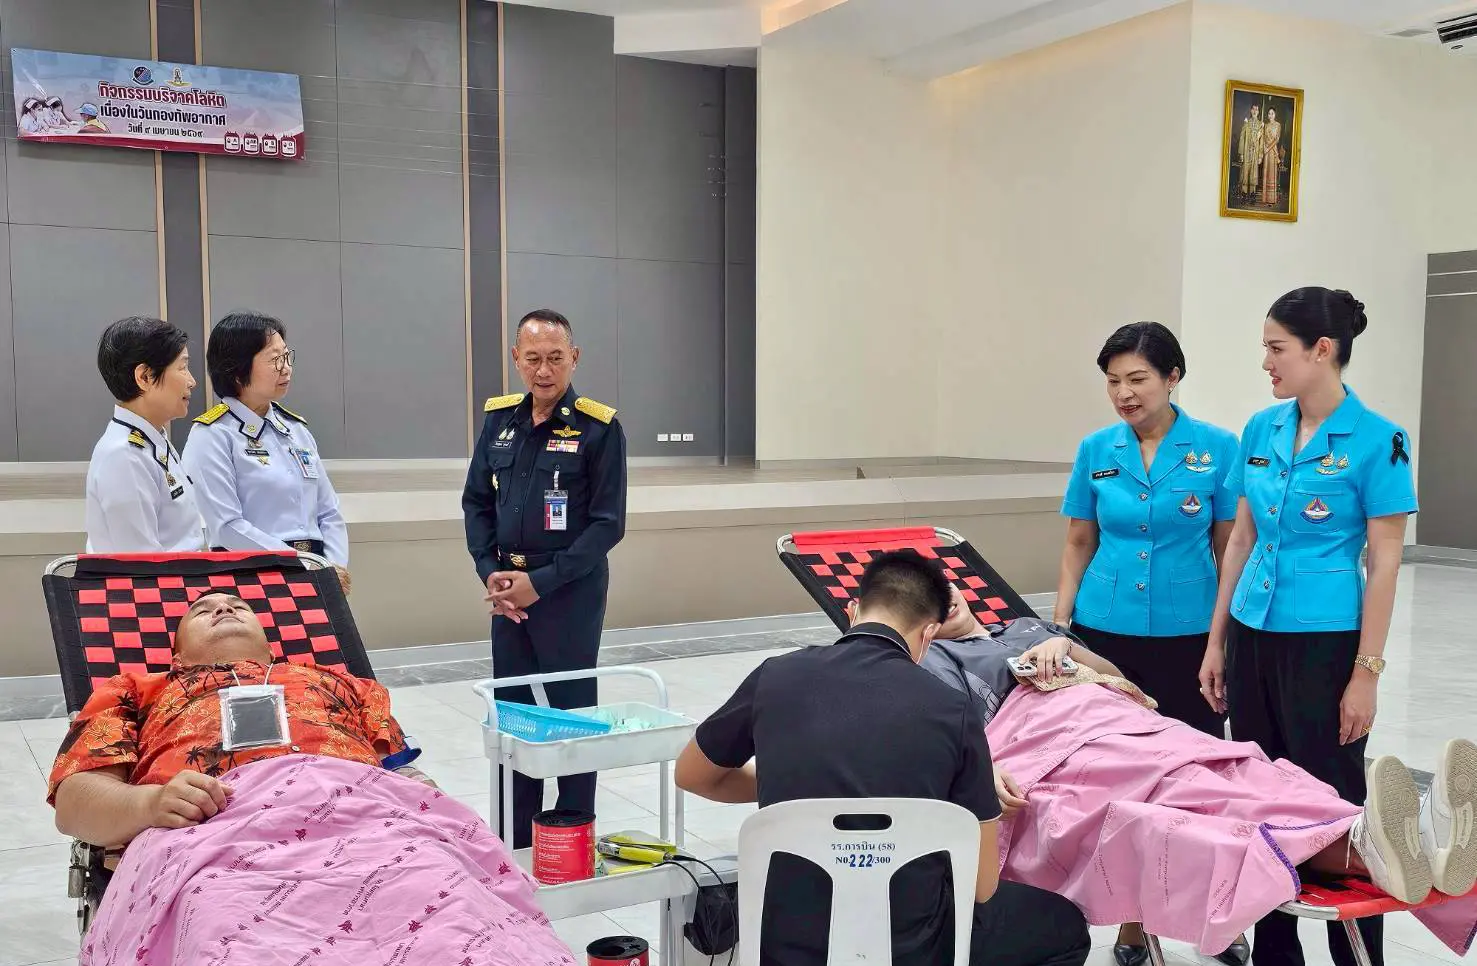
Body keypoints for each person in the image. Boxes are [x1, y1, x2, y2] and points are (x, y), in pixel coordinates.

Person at [920, 587, 1477, 960]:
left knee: (1240, 767)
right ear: (919, 624)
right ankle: (1375, 846)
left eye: (943, 586)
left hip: (1122, 717)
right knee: (1185, 798)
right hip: (1054, 741)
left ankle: (1391, 838)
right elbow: (944, 739)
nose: (943, 599)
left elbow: (1125, 685)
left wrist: (1070, 649)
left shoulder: (1027, 627)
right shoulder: (931, 666)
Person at [47, 592, 577, 966]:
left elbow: (397, 772)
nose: (223, 609)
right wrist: (150, 804)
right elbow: (76, 802)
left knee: (450, 906)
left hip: (369, 823)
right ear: (178, 654)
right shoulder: (137, 692)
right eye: (203, 610)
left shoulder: (338, 683)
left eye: (238, 606)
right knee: (223, 928)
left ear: (268, 645)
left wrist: (431, 816)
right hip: (214, 836)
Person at [675, 550, 1092, 966]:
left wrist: (796, 781)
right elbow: (981, 887)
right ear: (929, 634)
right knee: (1066, 927)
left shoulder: (774, 676)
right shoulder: (952, 709)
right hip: (914, 947)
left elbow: (693, 776)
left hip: (786, 943)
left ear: (852, 610)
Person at [1199, 287, 1422, 966]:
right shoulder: (1259, 429)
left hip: (1324, 642)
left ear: (1321, 350)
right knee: (1260, 796)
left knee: (1332, 804)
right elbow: (1240, 540)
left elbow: (1384, 563)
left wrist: (1366, 673)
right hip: (1251, 631)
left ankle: (1357, 953)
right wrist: (1216, 642)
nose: (1265, 362)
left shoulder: (1379, 440)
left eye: (1276, 348)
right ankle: (1274, 951)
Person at [1056, 322, 1244, 964]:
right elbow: (1078, 541)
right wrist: (1060, 627)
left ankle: (1222, 915)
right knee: (1120, 779)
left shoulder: (1218, 448)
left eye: (1137, 379)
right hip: (1104, 634)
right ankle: (1133, 920)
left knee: (1198, 775)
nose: (1124, 393)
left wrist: (1222, 639)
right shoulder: (1096, 448)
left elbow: (1229, 548)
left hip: (1189, 636)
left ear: (1172, 377)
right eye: (1113, 381)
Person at [461, 308, 628, 849]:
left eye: (555, 358)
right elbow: (476, 502)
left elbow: (607, 525)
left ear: (574, 358)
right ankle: (515, 838)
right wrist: (490, 571)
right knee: (515, 715)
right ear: (516, 359)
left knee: (571, 713)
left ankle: (570, 837)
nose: (544, 370)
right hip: (507, 591)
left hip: (569, 592)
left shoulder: (598, 428)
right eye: (532, 358)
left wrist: (542, 581)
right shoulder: (500, 421)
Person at [183, 311, 350, 590]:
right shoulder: (212, 435)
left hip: (318, 574)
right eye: (275, 360)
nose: (286, 368)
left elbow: (329, 512)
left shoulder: (296, 430)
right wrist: (301, 564)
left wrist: (333, 567)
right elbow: (227, 526)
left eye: (287, 356)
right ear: (237, 370)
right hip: (254, 578)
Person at [85, 316, 205, 554]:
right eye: (182, 368)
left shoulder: (152, 438)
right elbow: (143, 564)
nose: (192, 381)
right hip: (162, 578)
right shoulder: (125, 456)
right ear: (145, 377)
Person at [1237, 103, 1262, 199]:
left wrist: (1260, 156)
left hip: (1255, 153)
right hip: (1247, 152)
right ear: (1251, 111)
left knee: (1253, 173)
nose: (1255, 111)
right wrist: (1241, 153)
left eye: (1257, 109)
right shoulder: (1246, 123)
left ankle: (1252, 194)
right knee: (1245, 172)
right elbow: (1242, 138)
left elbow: (1261, 141)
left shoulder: (1260, 125)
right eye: (1253, 109)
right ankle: (1244, 194)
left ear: (1258, 112)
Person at [1259, 108, 1283, 207]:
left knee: (1272, 174)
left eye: (1272, 113)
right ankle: (1265, 199)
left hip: (1273, 152)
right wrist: (1264, 148)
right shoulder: (1266, 125)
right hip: (1266, 153)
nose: (1270, 115)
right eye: (1269, 113)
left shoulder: (1278, 125)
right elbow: (1263, 138)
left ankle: (1271, 199)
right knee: (1266, 173)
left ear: (1275, 114)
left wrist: (1268, 148)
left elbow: (1277, 139)